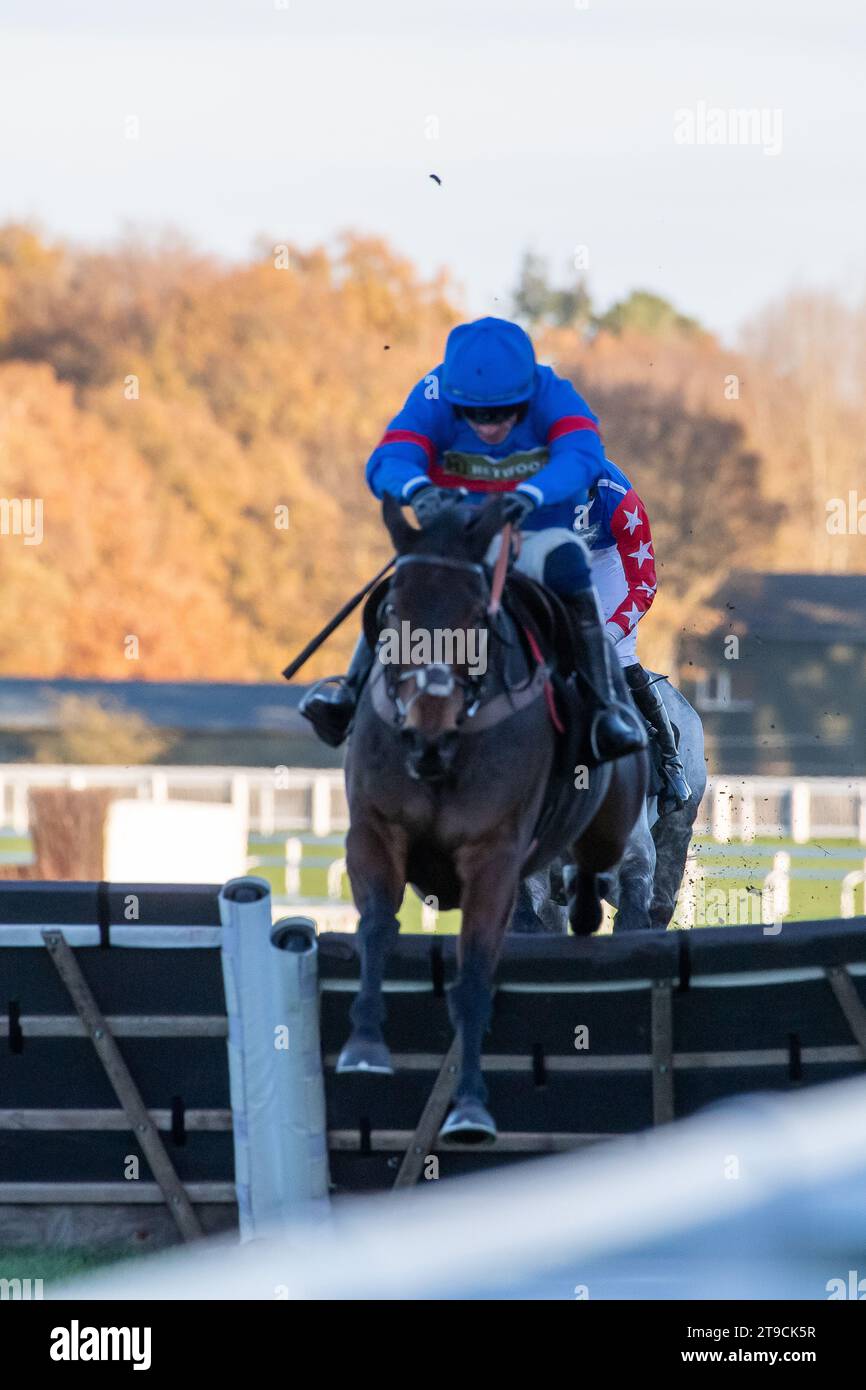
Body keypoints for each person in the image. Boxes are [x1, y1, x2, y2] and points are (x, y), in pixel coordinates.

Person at [301, 317, 685, 804]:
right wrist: (415, 489)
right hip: (468, 520)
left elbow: (583, 454)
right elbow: (387, 460)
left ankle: (610, 713)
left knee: (573, 576)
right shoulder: (433, 393)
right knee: (411, 583)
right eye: (474, 415)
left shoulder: (556, 397)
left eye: (504, 413)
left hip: (548, 520)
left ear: (529, 392)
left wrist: (532, 494)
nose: (488, 427)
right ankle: (349, 695)